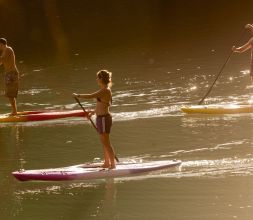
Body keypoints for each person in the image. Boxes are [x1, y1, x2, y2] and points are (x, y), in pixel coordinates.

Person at [73, 70, 116, 169]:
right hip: (100, 118)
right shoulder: (103, 90)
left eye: (98, 77)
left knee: (106, 142)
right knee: (103, 142)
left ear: (101, 79)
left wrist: (78, 95)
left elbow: (90, 96)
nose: (96, 79)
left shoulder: (105, 90)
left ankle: (113, 165)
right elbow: (99, 105)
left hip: (105, 119)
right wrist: (92, 113)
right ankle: (106, 163)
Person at [0, 38, 19, 115]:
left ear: (1, 44)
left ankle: (14, 112)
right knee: (9, 93)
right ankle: (14, 111)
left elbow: (2, 59)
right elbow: (1, 62)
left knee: (10, 93)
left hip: (12, 74)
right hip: (8, 74)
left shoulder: (8, 49)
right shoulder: (4, 52)